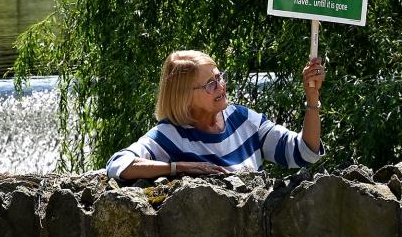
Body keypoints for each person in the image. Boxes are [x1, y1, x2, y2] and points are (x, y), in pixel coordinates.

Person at [106, 50, 325, 180]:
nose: (221, 87)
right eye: (210, 84)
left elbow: (304, 152)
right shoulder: (170, 135)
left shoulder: (243, 119)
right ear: (184, 96)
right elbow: (118, 165)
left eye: (220, 78)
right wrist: (179, 167)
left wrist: (312, 97)